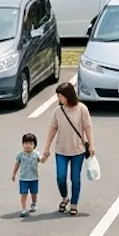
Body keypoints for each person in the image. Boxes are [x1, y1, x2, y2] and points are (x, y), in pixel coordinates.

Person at [44, 81, 94, 215]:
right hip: (61, 150)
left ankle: (74, 203)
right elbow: (52, 129)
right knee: (60, 177)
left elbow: (88, 127)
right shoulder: (58, 111)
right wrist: (47, 147)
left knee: (75, 178)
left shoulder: (82, 109)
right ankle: (65, 197)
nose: (59, 99)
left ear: (68, 95)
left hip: (78, 150)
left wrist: (91, 144)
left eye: (61, 96)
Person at [11, 133, 42, 217]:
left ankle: (33, 203)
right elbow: (17, 164)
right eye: (26, 143)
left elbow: (41, 160)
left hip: (34, 178)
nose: (28, 146)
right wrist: (14, 174)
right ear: (23, 144)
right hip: (23, 178)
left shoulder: (36, 154)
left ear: (34, 145)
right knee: (23, 194)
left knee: (34, 193)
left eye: (31, 144)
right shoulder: (20, 155)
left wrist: (45, 157)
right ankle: (24, 209)